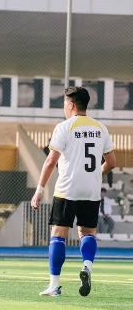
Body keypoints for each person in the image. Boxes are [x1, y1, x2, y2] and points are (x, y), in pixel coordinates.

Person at [31, 86, 116, 297]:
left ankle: (54, 285)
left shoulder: (63, 127)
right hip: (91, 190)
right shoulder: (100, 128)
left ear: (70, 105)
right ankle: (87, 266)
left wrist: (39, 190)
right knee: (87, 233)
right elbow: (112, 162)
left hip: (67, 189)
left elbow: (51, 161)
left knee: (58, 234)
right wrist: (96, 175)